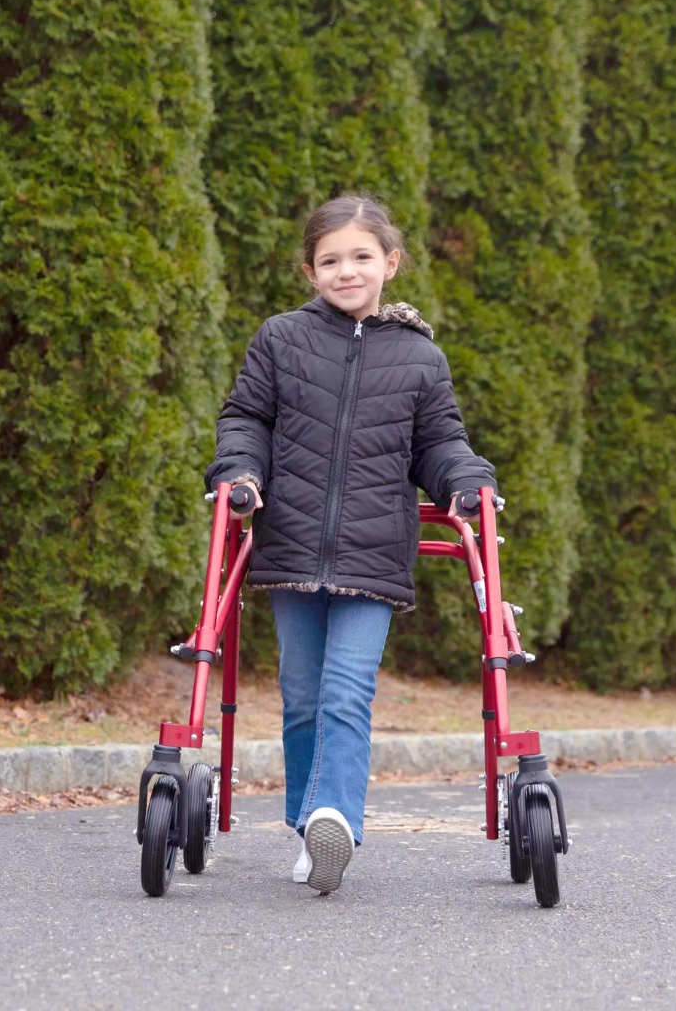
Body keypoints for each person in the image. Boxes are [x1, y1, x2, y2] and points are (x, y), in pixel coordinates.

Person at [204, 194, 497, 893]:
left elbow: (440, 444)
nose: (346, 270)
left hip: (373, 555)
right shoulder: (281, 339)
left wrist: (466, 482)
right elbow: (245, 417)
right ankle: (310, 826)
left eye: (361, 257)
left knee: (345, 690)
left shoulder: (420, 358)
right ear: (310, 270)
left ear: (389, 264)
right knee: (302, 694)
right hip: (291, 546)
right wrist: (239, 471)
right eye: (330, 260)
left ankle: (335, 815)